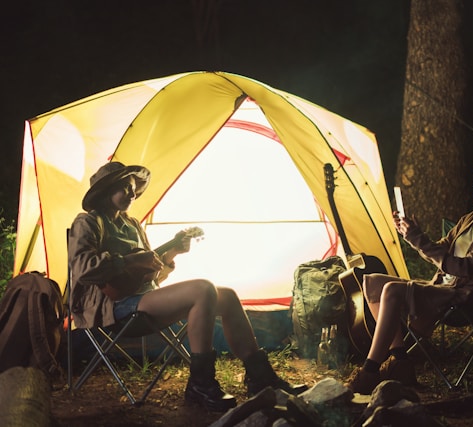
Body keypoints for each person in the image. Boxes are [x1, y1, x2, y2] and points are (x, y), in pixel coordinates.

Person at [68, 162, 307, 412]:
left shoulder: (133, 225)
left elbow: (149, 278)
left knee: (226, 296)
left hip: (143, 299)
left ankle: (261, 378)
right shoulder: (88, 223)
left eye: (132, 189)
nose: (131, 194)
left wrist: (172, 253)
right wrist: (130, 260)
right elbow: (83, 268)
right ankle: (200, 384)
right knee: (203, 288)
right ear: (107, 191)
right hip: (113, 307)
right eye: (123, 189)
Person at [346, 158, 473, 394]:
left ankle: (370, 370)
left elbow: (466, 268)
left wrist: (419, 241)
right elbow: (440, 251)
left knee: (392, 290)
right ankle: (400, 362)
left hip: (466, 294)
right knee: (372, 281)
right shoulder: (471, 218)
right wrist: (413, 234)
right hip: (443, 285)